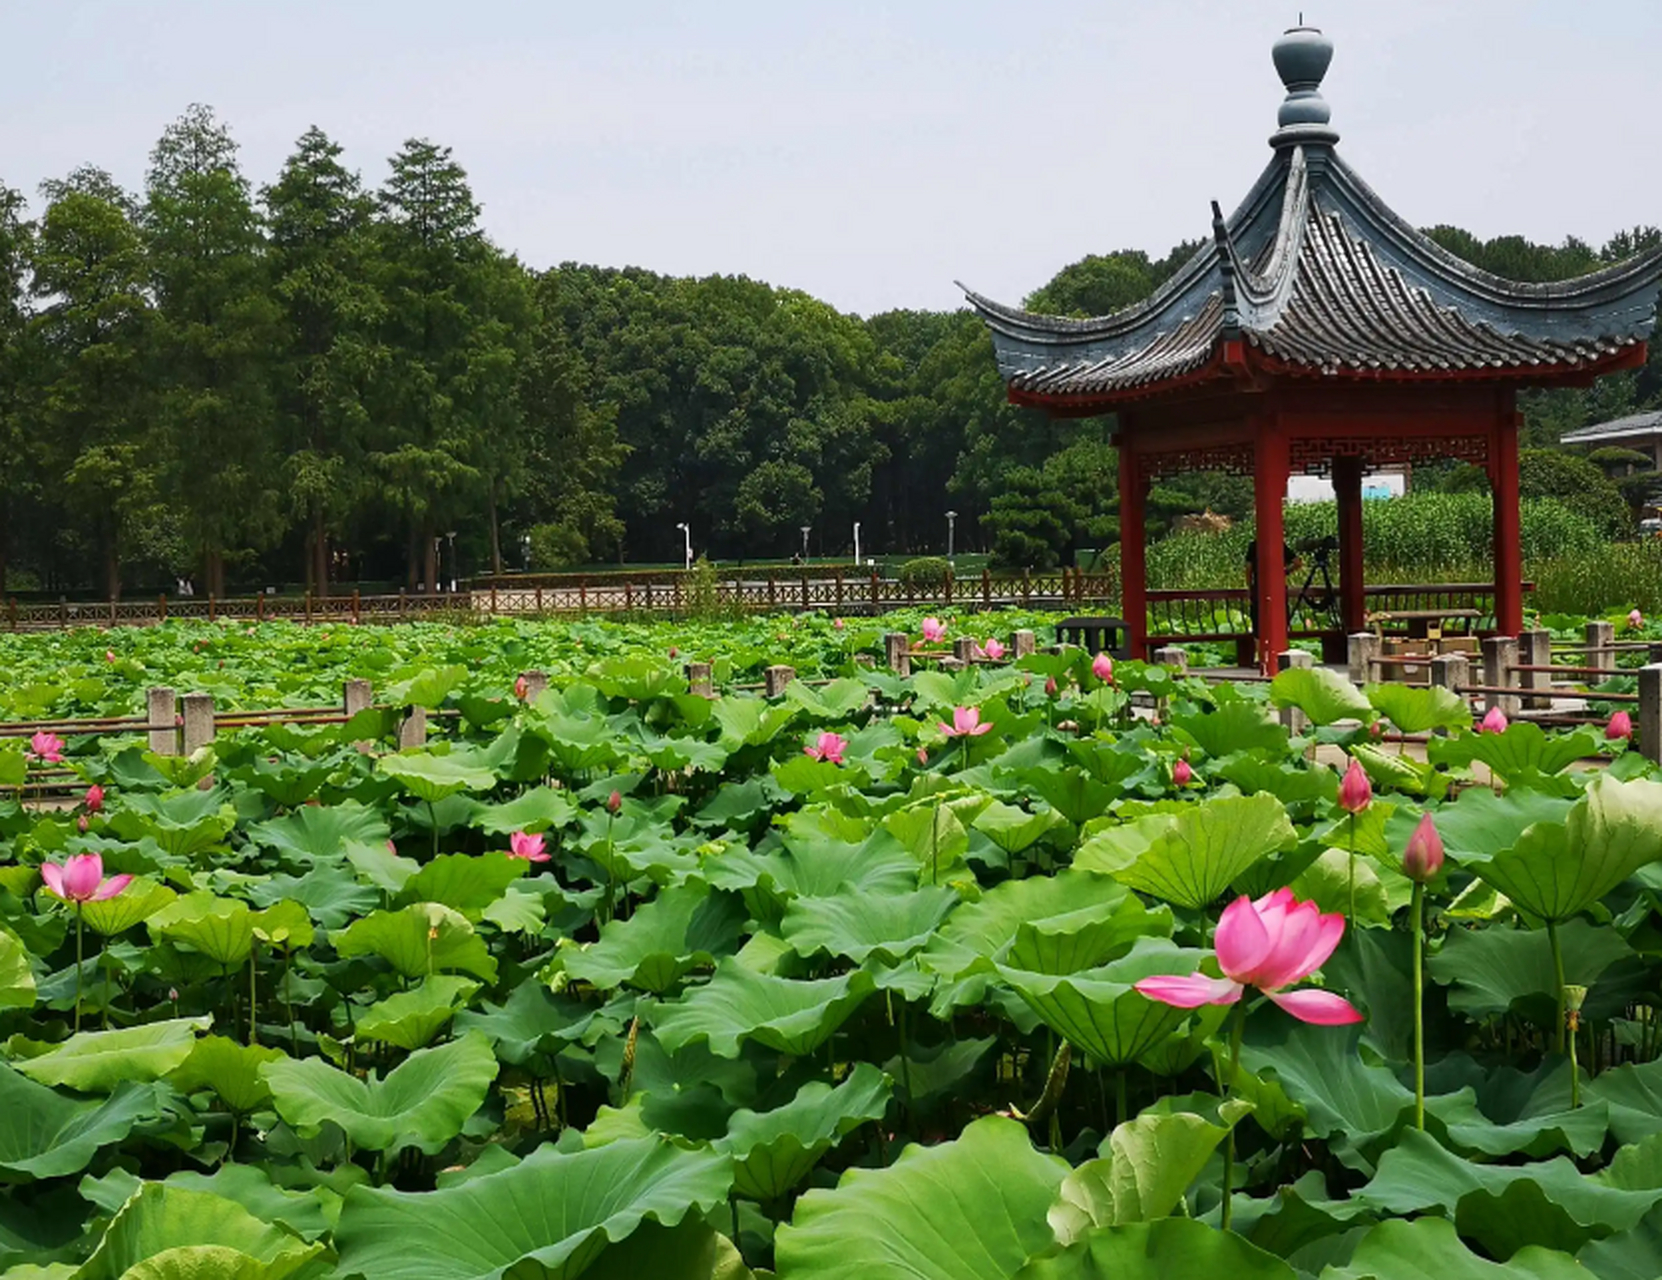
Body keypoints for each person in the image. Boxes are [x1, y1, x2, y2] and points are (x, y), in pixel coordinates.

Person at [1244, 538, 1298, 636]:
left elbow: (1248, 569)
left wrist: (1250, 587)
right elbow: (1297, 563)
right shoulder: (1279, 545)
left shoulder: (1254, 546)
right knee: (1280, 619)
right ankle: (1281, 643)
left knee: (1258, 625)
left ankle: (1259, 649)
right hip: (1279, 589)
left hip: (1258, 589)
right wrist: (1284, 572)